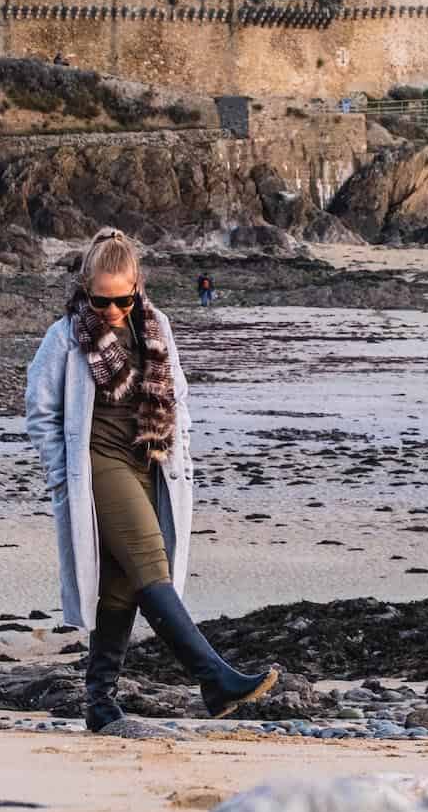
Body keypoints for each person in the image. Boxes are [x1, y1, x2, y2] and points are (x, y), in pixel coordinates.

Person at [26, 228, 277, 732]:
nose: (113, 310)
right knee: (151, 564)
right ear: (85, 288)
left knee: (122, 586)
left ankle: (100, 702)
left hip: (149, 462)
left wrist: (179, 455)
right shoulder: (65, 336)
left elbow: (177, 398)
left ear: (137, 287)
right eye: (102, 299)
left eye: (123, 298)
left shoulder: (156, 326)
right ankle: (213, 678)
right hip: (96, 463)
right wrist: (63, 476)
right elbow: (40, 411)